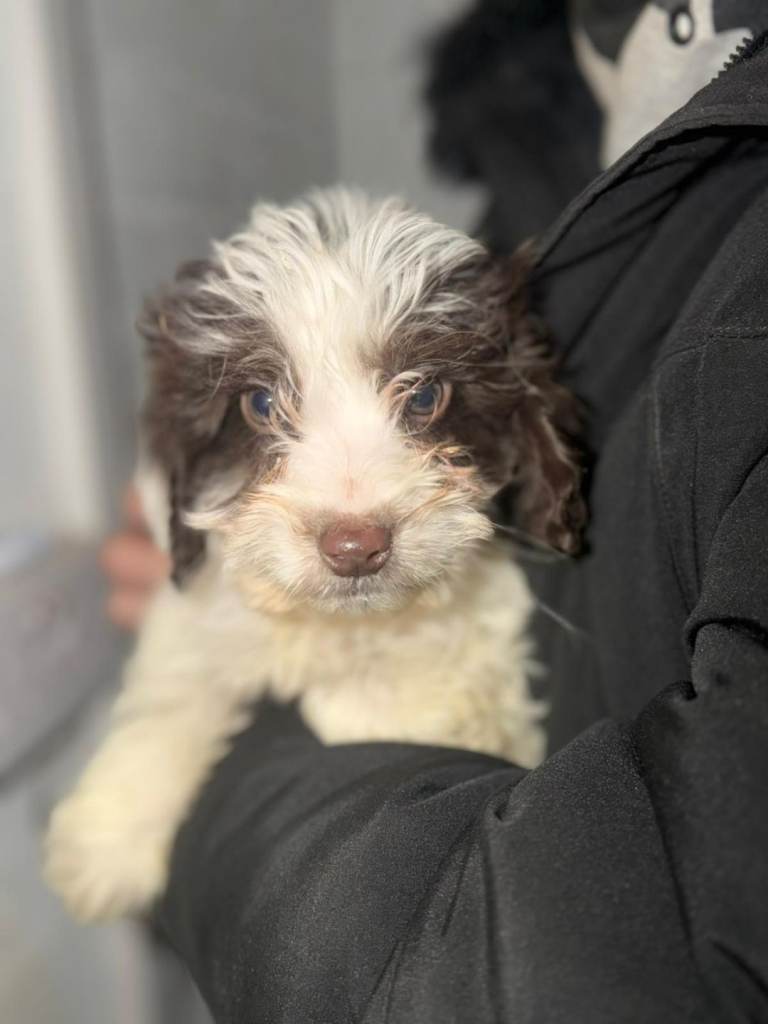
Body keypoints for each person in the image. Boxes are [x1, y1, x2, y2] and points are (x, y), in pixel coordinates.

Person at [103, 2, 768, 1020]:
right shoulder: (540, 111)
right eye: (268, 407)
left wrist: (214, 777)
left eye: (417, 401)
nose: (355, 519)